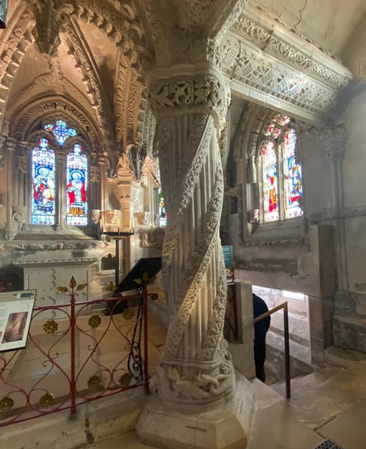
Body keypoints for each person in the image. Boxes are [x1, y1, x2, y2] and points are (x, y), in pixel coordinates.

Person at [253, 293, 271, 383]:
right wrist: (264, 331)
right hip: (260, 336)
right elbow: (267, 319)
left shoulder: (243, 302)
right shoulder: (260, 301)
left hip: (254, 337)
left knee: (255, 364)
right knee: (259, 364)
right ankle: (261, 383)